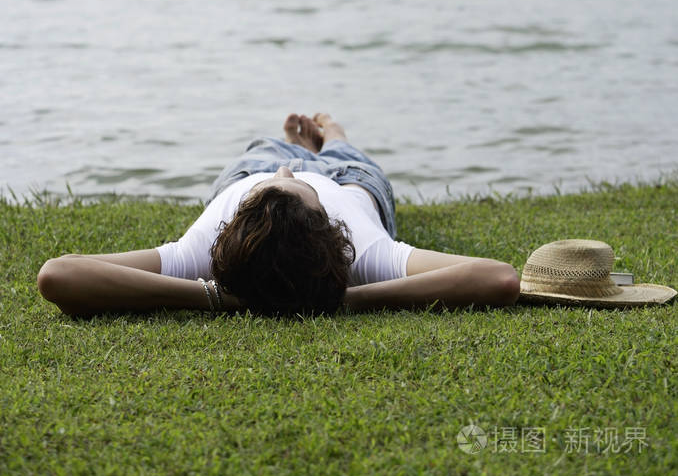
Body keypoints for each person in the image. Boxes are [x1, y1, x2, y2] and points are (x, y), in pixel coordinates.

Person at [37, 113, 520, 317]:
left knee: (267, 150)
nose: (291, 173)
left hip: (250, 172)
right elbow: (497, 279)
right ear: (333, 230)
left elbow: (59, 274)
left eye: (282, 182)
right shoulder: (370, 255)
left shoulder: (197, 253)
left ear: (232, 226)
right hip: (350, 183)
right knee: (348, 157)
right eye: (295, 185)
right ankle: (332, 138)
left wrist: (213, 296)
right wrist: (347, 298)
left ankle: (294, 143)